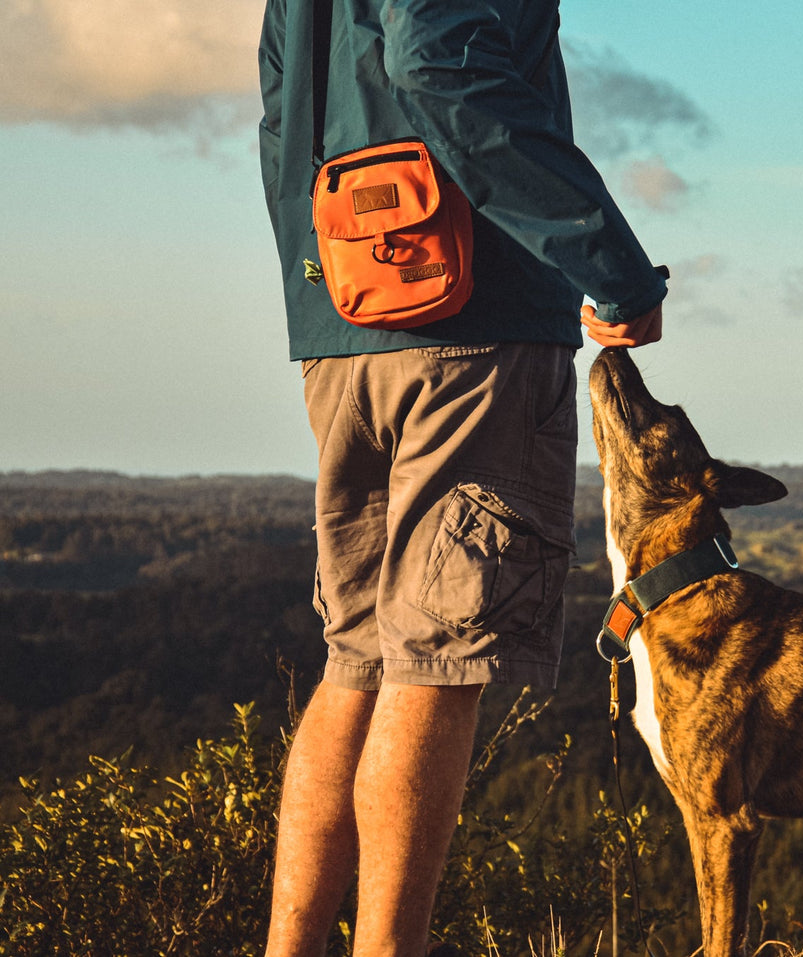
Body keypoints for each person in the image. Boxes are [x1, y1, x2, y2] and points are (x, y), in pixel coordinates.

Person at [256, 0, 666, 954]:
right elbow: (441, 68)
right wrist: (611, 266)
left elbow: (282, 118)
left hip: (343, 326)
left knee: (356, 658)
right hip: (473, 323)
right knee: (438, 662)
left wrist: (324, 287)